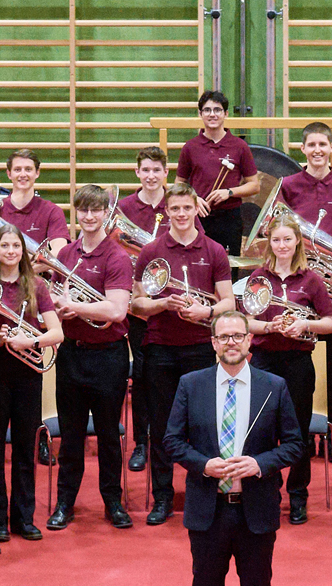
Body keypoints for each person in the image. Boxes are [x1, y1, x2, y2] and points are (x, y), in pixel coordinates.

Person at [164, 312, 304, 586]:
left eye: (238, 336)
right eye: (223, 336)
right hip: (208, 511)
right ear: (212, 342)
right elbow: (172, 441)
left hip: (255, 512)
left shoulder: (272, 387)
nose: (231, 342)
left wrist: (259, 464)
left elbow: (294, 445)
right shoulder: (191, 385)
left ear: (249, 341)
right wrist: (203, 465)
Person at [133, 181, 234, 525]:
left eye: (186, 208)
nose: (180, 214)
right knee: (161, 426)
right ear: (167, 211)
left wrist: (205, 313)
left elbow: (228, 302)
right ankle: (161, 497)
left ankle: (203, 494)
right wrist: (163, 303)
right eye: (174, 209)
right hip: (160, 347)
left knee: (204, 425)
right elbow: (137, 303)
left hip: (200, 347)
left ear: (196, 210)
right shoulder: (151, 251)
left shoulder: (215, 250)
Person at [276, 121, 332, 466]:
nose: (317, 150)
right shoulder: (287, 185)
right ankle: (291, 437)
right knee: (293, 363)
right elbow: (277, 228)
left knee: (331, 366)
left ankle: (330, 436)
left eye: (323, 145)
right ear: (303, 149)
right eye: (311, 144)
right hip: (297, 286)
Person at [49, 185, 136, 529]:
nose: (88, 216)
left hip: (108, 356)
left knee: (108, 435)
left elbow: (116, 309)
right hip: (72, 353)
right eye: (82, 210)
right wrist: (61, 307)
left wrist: (75, 306)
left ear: (105, 214)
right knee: (70, 435)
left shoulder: (116, 256)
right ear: (76, 213)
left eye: (95, 210)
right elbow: (56, 296)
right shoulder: (66, 255)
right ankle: (64, 503)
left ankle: (113, 501)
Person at [242, 215, 332, 524]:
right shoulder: (258, 276)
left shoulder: (311, 279)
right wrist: (270, 325)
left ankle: (298, 495)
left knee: (298, 432)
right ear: (269, 243)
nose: (281, 245)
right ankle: (267, 490)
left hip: (297, 362)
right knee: (261, 431)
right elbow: (246, 322)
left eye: (287, 239)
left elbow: (331, 323)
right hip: (264, 362)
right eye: (276, 240)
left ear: (298, 241)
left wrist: (305, 323)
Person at [0, 224, 63, 539]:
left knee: (25, 445)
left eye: (16, 246)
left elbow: (57, 333)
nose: (11, 251)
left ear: (23, 251)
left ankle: (23, 518)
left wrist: (31, 341)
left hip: (28, 374)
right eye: (5, 246)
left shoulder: (36, 286)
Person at [120, 147, 172, 477]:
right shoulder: (124, 207)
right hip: (138, 304)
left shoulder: (179, 204)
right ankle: (142, 442)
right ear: (137, 173)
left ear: (165, 172)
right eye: (145, 170)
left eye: (156, 169)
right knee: (140, 374)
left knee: (171, 375)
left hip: (171, 305)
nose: (151, 175)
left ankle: (174, 442)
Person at [178, 90, 261, 259]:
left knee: (230, 268)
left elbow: (255, 185)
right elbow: (179, 183)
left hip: (229, 218)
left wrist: (229, 192)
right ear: (200, 114)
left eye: (217, 110)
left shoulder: (239, 146)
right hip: (199, 216)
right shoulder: (190, 147)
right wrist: (192, 198)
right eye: (207, 110)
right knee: (198, 265)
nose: (212, 114)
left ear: (226, 114)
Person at [0, 150, 70, 255]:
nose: (23, 174)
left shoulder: (52, 211)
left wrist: (26, 270)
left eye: (28, 169)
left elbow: (60, 252)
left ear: (37, 173)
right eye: (17, 170)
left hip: (37, 271)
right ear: (9, 174)